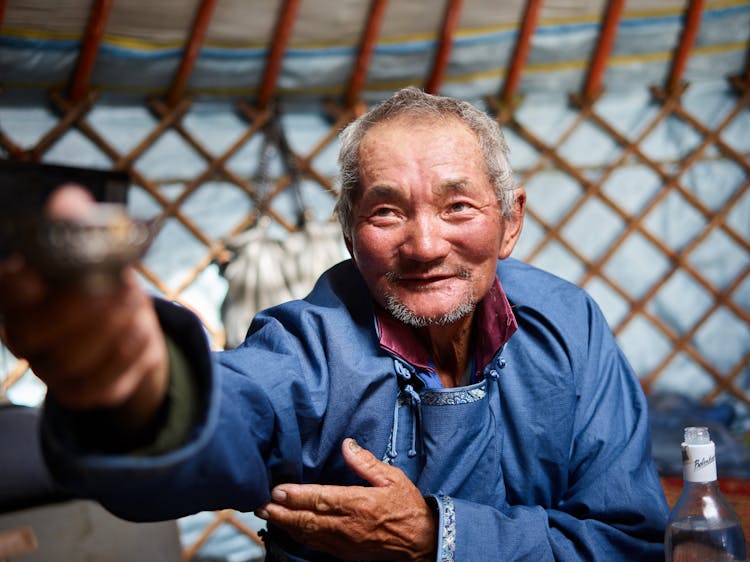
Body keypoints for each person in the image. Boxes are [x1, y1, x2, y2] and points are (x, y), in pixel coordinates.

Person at [0, 87, 668, 561]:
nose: (426, 244)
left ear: (511, 221)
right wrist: (140, 393)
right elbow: (230, 415)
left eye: (458, 206)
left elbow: (627, 541)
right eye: (386, 212)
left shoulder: (567, 324)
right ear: (348, 229)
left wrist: (439, 536)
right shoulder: (308, 349)